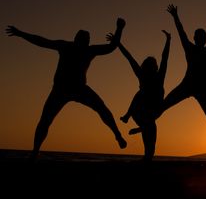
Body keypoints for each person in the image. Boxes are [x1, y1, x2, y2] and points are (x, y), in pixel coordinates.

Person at [5, 18, 128, 161]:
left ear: (87, 41)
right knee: (45, 120)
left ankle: (118, 136)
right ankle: (35, 151)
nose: (84, 41)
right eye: (81, 38)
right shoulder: (66, 46)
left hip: (80, 88)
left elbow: (111, 48)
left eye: (86, 39)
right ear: (75, 39)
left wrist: (119, 28)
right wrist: (21, 34)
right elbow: (42, 41)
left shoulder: (89, 50)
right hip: (60, 90)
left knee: (102, 109)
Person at [161, 4, 206, 159]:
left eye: (203, 37)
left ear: (205, 39)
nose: (201, 39)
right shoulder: (190, 47)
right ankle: (148, 119)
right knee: (164, 104)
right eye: (198, 37)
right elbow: (181, 33)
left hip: (202, 90)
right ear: (195, 39)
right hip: (187, 85)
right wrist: (175, 16)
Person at [107, 30, 171, 162]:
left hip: (154, 110)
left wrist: (168, 40)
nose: (154, 68)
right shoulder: (142, 75)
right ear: (146, 68)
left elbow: (165, 58)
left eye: (154, 66)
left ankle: (135, 123)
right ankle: (135, 123)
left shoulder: (159, 76)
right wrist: (118, 43)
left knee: (150, 142)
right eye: (151, 66)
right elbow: (129, 58)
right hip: (141, 113)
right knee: (141, 96)